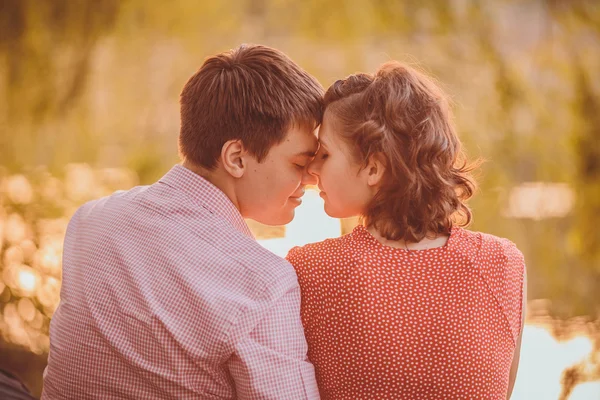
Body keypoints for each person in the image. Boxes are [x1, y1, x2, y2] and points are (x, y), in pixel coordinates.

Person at [42, 44, 323, 399]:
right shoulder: (262, 283)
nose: (313, 178)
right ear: (236, 157)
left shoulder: (90, 221)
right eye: (299, 164)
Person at [287, 61, 527, 399]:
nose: (311, 169)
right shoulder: (503, 263)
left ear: (373, 167)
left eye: (324, 154)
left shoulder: (312, 270)